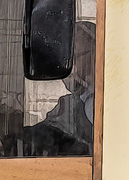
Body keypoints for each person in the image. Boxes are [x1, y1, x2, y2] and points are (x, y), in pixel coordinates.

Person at [22, 21, 97, 157]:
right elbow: (48, 132)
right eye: (67, 60)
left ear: (95, 53)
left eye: (77, 57)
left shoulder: (100, 97)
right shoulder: (73, 102)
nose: (71, 67)